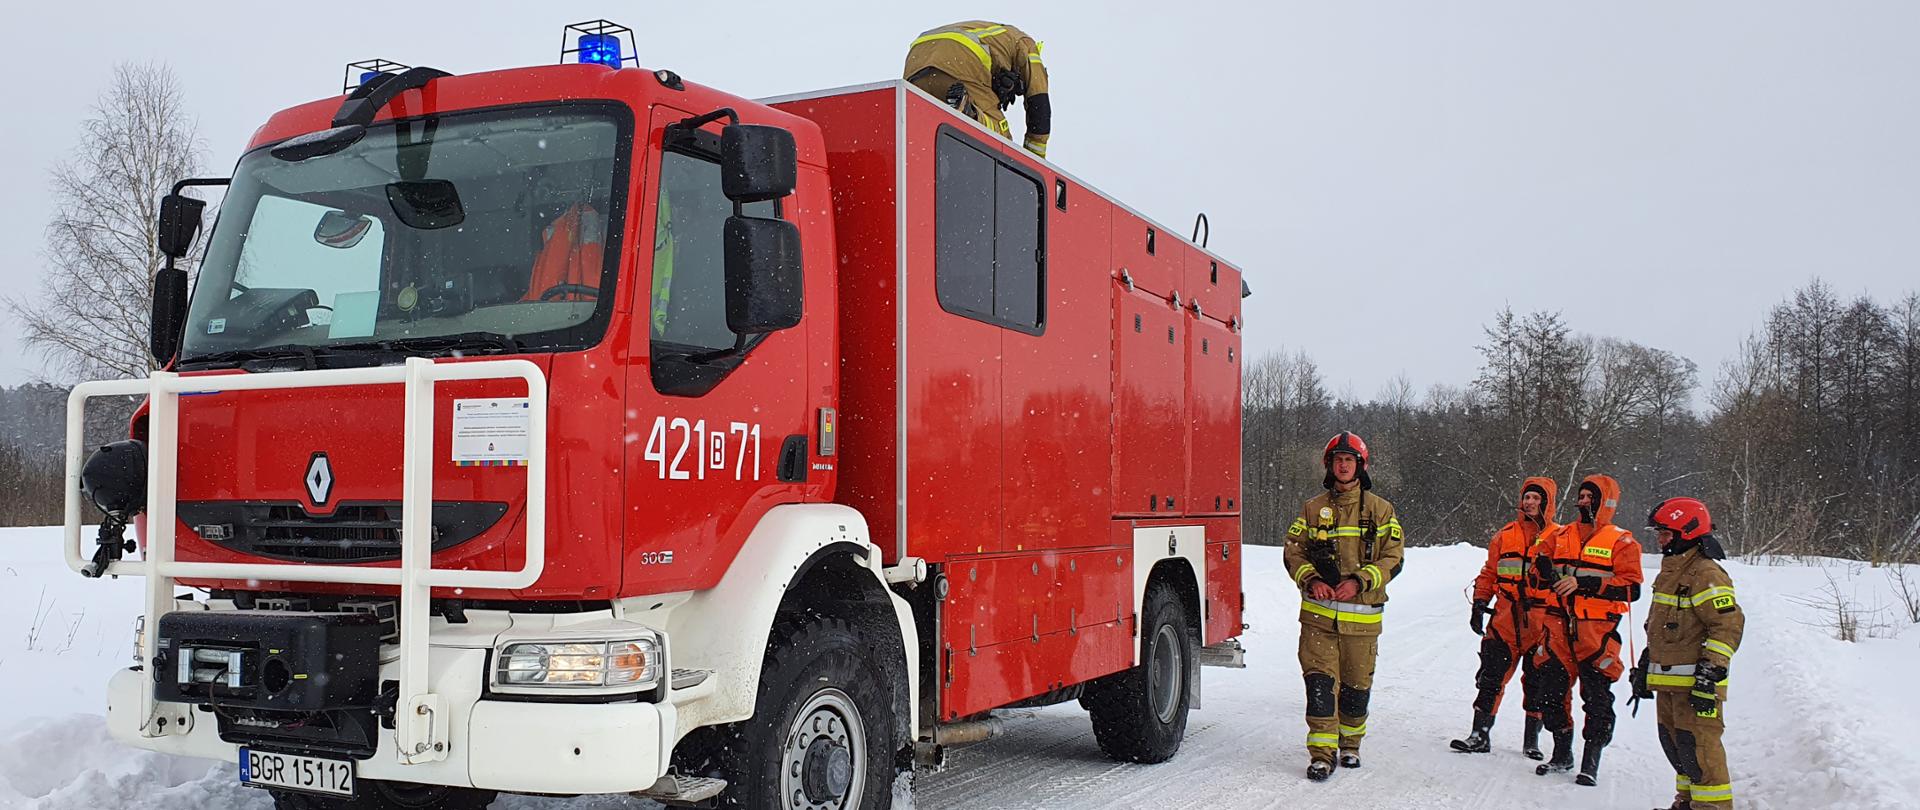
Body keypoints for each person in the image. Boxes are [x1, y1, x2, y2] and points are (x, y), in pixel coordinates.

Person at [1283, 431, 1405, 782]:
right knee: (1320, 686)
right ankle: (1322, 754)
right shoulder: (1312, 509)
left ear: (1360, 466)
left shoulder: (1381, 511)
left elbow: (1393, 559)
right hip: (1318, 620)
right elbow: (1293, 551)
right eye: (1337, 459)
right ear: (1329, 465)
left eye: (1349, 460)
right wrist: (1311, 580)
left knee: (1355, 689)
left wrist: (1360, 581)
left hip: (1362, 623)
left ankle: (1350, 744)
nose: (1343, 465)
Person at [1524, 474, 1643, 786]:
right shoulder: (1561, 534)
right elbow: (1537, 565)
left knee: (1597, 700)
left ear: (1605, 502)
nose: (1583, 502)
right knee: (1549, 696)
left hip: (1597, 633)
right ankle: (1562, 753)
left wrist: (1585, 583)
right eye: (1581, 496)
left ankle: (1591, 760)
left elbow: (1631, 588)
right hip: (1557, 628)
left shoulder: (1621, 541)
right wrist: (1543, 569)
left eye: (1590, 497)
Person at [1633, 497, 1743, 809]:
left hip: (1698, 686)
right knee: (1679, 749)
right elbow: (1662, 627)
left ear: (1688, 532)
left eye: (1666, 533)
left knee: (1702, 753)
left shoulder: (1706, 573)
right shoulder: (1672, 571)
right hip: (1671, 683)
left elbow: (1727, 625)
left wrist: (1711, 672)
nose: (1660, 539)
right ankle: (1686, 803)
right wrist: (1646, 663)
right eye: (1660, 533)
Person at [1452, 477, 1558, 756]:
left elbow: (1565, 580)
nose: (1531, 503)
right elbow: (1489, 573)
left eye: (1537, 498)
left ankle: (1531, 741)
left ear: (1546, 503)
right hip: (1505, 618)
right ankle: (1479, 734)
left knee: (1536, 682)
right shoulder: (1505, 535)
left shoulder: (1560, 537)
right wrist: (1479, 603)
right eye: (1527, 497)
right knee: (1491, 676)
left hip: (1541, 619)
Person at [904, 20, 1052, 157]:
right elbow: (1039, 106)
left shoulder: (996, 37)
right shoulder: (1027, 44)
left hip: (917, 59)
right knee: (1002, 138)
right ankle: (969, 111)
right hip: (961, 52)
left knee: (931, 126)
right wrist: (1034, 163)